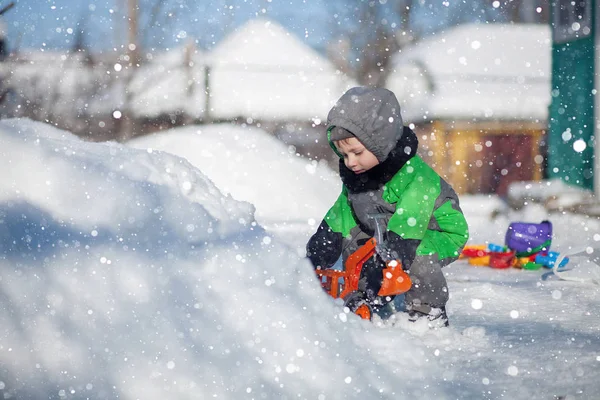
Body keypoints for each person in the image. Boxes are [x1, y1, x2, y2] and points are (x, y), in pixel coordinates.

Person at [306, 86, 469, 327]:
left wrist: (389, 257)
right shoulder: (358, 176)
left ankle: (428, 311)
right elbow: (343, 213)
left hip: (432, 232)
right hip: (384, 228)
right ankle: (363, 295)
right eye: (344, 155)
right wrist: (323, 243)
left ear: (380, 141)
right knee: (356, 244)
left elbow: (409, 224)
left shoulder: (416, 177)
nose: (350, 162)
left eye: (357, 152)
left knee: (416, 256)